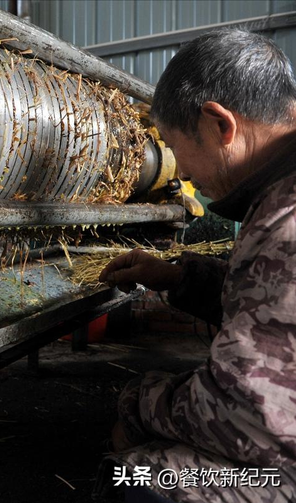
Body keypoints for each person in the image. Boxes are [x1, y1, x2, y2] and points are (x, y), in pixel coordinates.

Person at [96, 29, 296, 503]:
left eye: (174, 145)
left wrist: (136, 402)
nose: (181, 173)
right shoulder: (280, 191)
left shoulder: (284, 221)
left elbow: (243, 412)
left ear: (218, 125)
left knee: (137, 475)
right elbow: (275, 299)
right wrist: (179, 278)